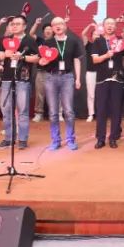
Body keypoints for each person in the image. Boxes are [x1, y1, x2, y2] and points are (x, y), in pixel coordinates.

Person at [0, 15, 39, 150]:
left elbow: (37, 58)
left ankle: (23, 139)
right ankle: (9, 138)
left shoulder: (29, 40)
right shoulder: (5, 39)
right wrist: (4, 55)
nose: (14, 26)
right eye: (13, 24)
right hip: (7, 78)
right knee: (6, 110)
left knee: (23, 110)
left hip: (23, 79)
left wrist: (23, 57)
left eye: (18, 24)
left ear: (24, 26)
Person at [40, 17, 84, 151]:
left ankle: (71, 139)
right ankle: (55, 140)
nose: (58, 26)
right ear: (52, 28)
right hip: (51, 77)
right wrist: (43, 61)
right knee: (53, 112)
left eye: (60, 24)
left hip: (67, 77)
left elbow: (76, 60)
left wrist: (78, 78)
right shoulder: (47, 43)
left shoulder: (73, 41)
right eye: (54, 25)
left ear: (65, 26)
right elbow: (42, 60)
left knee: (69, 111)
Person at [89, 17, 124, 149]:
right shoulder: (98, 41)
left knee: (116, 109)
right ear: (103, 26)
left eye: (112, 24)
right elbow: (95, 60)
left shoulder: (120, 42)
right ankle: (100, 138)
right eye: (108, 24)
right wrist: (106, 55)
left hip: (117, 79)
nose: (110, 26)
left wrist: (119, 69)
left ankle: (113, 137)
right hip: (102, 79)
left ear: (116, 27)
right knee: (101, 110)